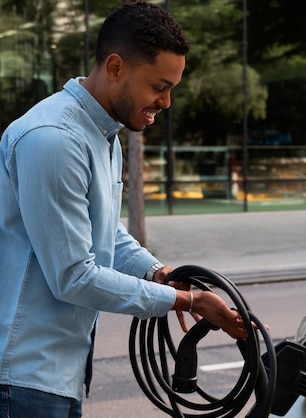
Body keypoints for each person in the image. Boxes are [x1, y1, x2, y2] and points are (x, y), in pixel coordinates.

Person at [0, 3, 246, 417]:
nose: (166, 102)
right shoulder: (54, 139)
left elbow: (104, 231)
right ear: (115, 68)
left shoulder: (100, 132)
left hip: (54, 376)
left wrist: (160, 273)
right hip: (24, 379)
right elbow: (74, 276)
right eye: (159, 86)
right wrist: (187, 301)